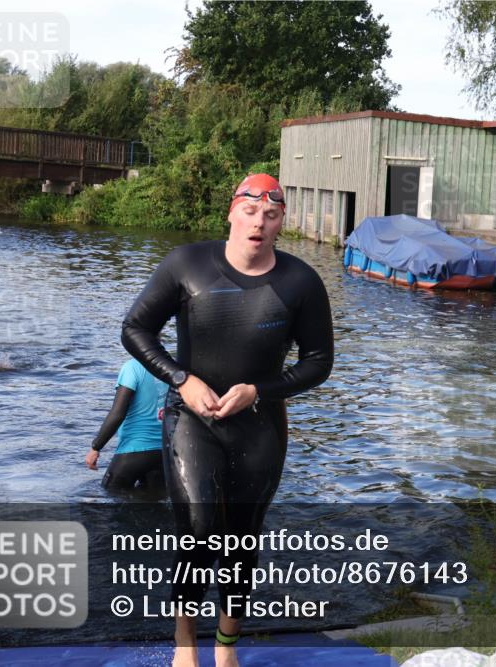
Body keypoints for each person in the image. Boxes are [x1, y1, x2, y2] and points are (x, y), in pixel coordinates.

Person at [121, 173, 333, 667]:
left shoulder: (300, 281)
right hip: (192, 416)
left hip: (259, 421)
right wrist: (180, 379)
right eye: (251, 212)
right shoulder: (187, 263)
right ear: (232, 213)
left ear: (282, 223)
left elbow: (318, 362)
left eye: (271, 215)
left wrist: (260, 390)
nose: (259, 222)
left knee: (242, 535)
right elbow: (135, 329)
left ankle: (226, 647)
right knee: (197, 530)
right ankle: (185, 645)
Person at [85, 358, 168, 493]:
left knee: (108, 499)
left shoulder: (132, 367)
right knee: (152, 504)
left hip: (133, 452)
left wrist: (96, 447)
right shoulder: (169, 366)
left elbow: (117, 413)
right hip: (163, 453)